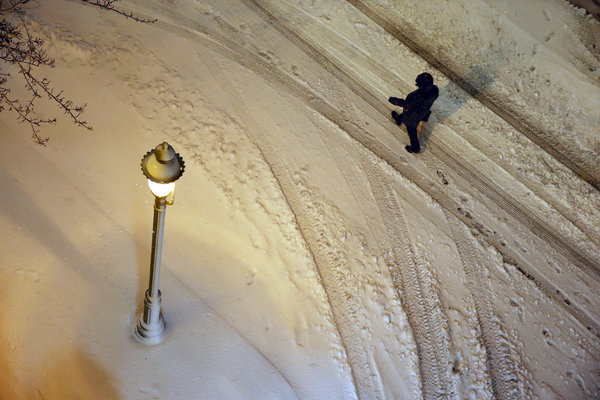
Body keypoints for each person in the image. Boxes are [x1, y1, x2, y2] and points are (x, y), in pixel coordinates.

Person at [388, 72, 439, 153]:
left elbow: (407, 104)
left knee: (411, 128)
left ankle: (415, 147)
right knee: (407, 115)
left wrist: (395, 101)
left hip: (414, 115)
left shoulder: (417, 97)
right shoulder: (435, 90)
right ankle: (398, 118)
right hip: (423, 111)